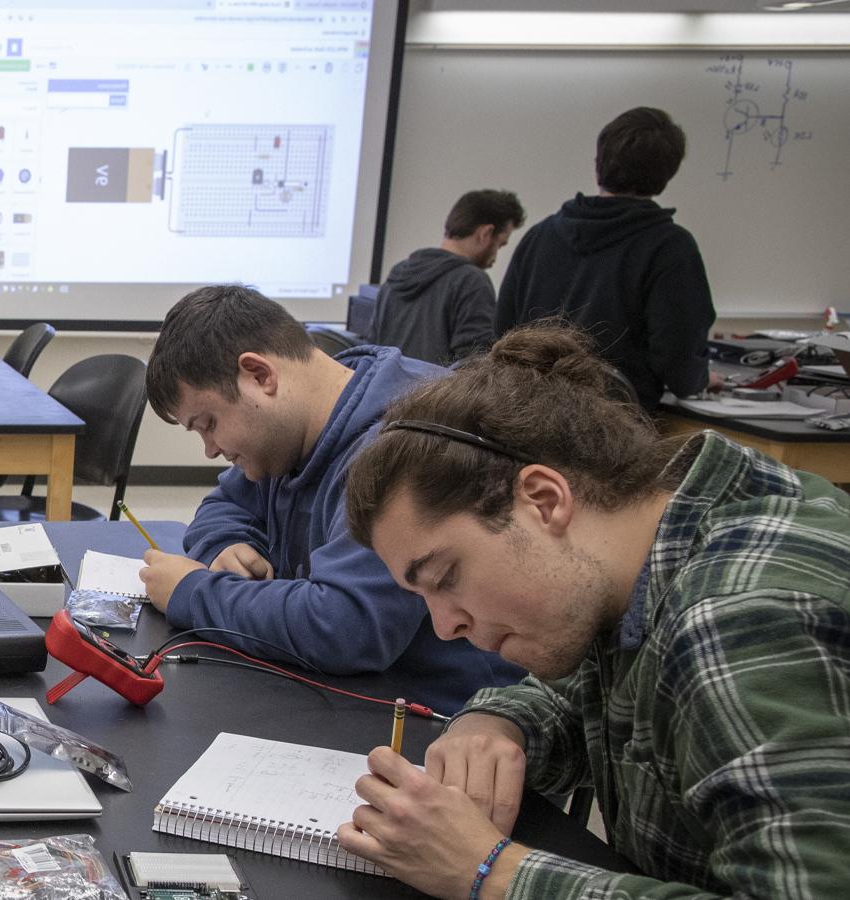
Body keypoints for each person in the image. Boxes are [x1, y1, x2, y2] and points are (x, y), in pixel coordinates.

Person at [336, 323, 850, 900]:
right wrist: (493, 723)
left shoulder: (740, 620)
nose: (445, 625)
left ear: (544, 500)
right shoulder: (641, 552)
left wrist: (491, 873)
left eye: (446, 578)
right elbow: (582, 693)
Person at [137, 285, 522, 714]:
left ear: (260, 375)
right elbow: (222, 505)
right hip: (347, 694)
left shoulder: (404, 449)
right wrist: (225, 545)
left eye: (208, 423)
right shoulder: (296, 427)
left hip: (440, 721)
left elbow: (345, 627)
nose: (210, 448)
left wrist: (192, 592)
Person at [495, 107, 717, 410]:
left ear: (598, 162)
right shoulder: (670, 247)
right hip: (614, 429)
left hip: (525, 417)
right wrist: (700, 378)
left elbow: (503, 337)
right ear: (667, 174)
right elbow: (678, 362)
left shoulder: (540, 235)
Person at [368, 189, 523, 365]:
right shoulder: (472, 282)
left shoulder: (396, 276)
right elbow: (474, 367)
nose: (496, 255)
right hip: (435, 393)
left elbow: (371, 353)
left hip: (385, 391)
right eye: (500, 244)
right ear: (485, 233)